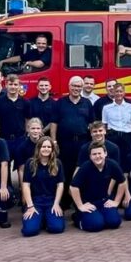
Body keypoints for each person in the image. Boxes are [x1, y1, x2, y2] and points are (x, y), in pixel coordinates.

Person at [50, 76, 93, 207]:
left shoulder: (87, 103)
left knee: (81, 170)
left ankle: (79, 199)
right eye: (74, 86)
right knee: (65, 170)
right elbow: (54, 123)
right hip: (65, 143)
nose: (76, 89)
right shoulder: (60, 103)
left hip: (83, 142)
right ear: (69, 86)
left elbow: (91, 124)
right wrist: (53, 141)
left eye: (79, 86)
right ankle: (65, 200)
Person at [70, 142, 126, 232]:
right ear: (90, 156)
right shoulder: (85, 167)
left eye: (99, 153)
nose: (97, 156)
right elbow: (73, 187)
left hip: (104, 201)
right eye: (94, 154)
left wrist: (116, 201)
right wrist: (80, 205)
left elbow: (122, 182)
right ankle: (77, 217)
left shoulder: (112, 164)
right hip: (88, 203)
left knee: (115, 222)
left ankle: (97, 216)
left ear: (105, 153)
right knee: (96, 225)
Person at [21, 136, 65, 236]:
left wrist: (56, 204)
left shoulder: (57, 163)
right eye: (43, 146)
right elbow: (26, 185)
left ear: (52, 149)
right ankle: (40, 219)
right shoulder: (30, 163)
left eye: (49, 147)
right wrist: (30, 206)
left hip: (51, 201)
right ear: (38, 148)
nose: (46, 149)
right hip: (36, 201)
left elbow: (60, 185)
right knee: (29, 231)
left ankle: (45, 218)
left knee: (57, 228)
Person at [0, 74, 28, 178]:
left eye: (15, 84)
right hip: (4, 139)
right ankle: (7, 188)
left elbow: (28, 120)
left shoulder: (25, 102)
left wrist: (26, 135)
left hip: (20, 138)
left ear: (19, 86)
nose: (13, 87)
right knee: (4, 165)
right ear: (6, 85)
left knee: (22, 165)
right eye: (10, 84)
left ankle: (23, 190)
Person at [102, 81, 131, 156]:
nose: (119, 93)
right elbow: (105, 124)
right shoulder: (106, 108)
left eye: (121, 91)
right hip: (113, 136)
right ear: (113, 93)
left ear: (124, 93)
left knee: (127, 157)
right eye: (117, 91)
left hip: (127, 136)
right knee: (113, 156)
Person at [14, 118, 45, 183]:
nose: (35, 131)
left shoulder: (46, 145)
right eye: (33, 128)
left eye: (38, 128)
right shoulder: (21, 148)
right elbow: (21, 171)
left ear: (41, 129)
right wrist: (23, 189)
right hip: (29, 179)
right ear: (28, 129)